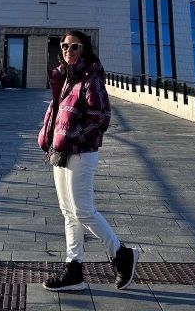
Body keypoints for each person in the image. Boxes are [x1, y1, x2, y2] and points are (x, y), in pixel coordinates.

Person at [37, 30, 138, 292]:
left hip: (81, 151)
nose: (68, 51)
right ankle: (74, 270)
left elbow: (101, 118)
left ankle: (121, 254)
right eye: (64, 46)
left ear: (86, 50)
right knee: (68, 212)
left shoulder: (91, 80)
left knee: (82, 210)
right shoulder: (64, 79)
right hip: (60, 150)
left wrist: (74, 136)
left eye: (74, 47)